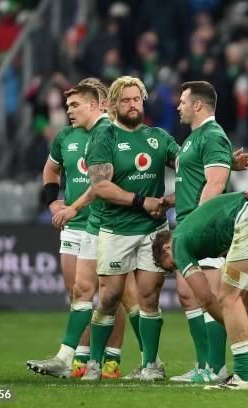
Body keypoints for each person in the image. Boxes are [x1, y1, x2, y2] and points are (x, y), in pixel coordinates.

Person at [27, 79, 135, 379]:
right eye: (67, 106)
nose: (69, 111)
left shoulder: (110, 133)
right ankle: (83, 360)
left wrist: (75, 206)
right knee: (78, 292)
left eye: (74, 105)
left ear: (95, 104)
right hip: (76, 225)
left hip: (106, 223)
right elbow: (50, 170)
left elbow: (102, 184)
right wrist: (54, 203)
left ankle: (108, 359)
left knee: (113, 295)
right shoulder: (66, 138)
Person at [152, 177, 248, 390]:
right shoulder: (207, 231)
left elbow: (206, 298)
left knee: (228, 298)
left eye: (172, 267)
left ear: (166, 249)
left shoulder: (178, 242)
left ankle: (243, 374)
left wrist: (235, 328)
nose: (178, 269)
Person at [80, 76, 179, 381]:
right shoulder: (104, 137)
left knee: (149, 298)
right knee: (109, 298)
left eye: (137, 99)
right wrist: (141, 200)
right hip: (116, 229)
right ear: (112, 105)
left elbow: (191, 166)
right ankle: (94, 364)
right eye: (126, 100)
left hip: (153, 229)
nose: (133, 105)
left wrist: (170, 199)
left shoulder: (159, 137)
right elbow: (100, 186)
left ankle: (151, 365)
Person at [171, 81, 248, 383]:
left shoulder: (213, 135)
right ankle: (204, 365)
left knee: (212, 293)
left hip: (205, 227)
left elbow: (216, 184)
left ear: (197, 105)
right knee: (189, 295)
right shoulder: (194, 139)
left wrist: (197, 224)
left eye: (183, 101)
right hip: (188, 222)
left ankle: (216, 366)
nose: (178, 106)